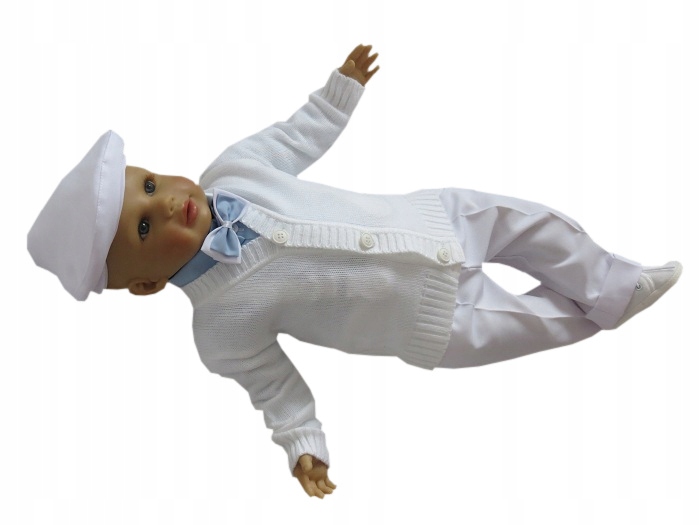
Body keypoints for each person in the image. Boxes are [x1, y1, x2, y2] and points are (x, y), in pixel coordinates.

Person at [27, 44, 682, 499]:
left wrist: (340, 90)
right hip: (432, 321)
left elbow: (295, 136)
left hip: (431, 220)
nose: (167, 202)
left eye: (148, 184)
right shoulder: (220, 327)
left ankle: (610, 281)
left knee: (530, 223)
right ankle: (607, 310)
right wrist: (303, 444)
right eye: (145, 227)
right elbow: (274, 386)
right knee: (534, 322)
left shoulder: (233, 169)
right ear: (145, 284)